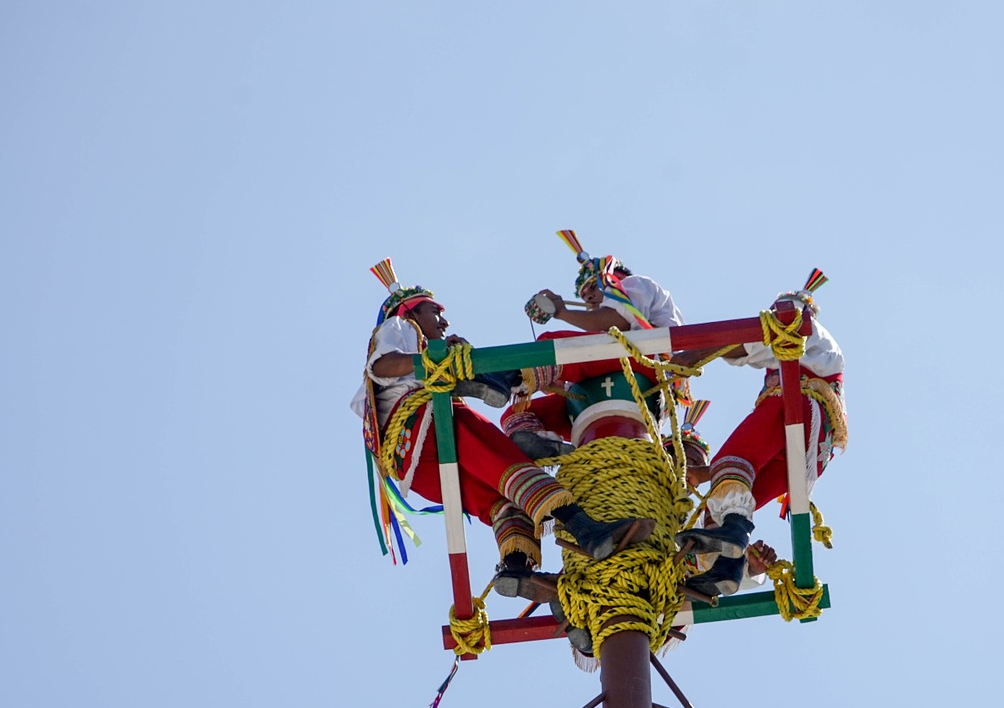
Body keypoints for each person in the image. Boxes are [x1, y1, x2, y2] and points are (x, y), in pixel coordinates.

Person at [352, 258, 653, 600]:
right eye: (434, 311)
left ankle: (515, 567)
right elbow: (382, 365)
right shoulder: (400, 327)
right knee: (507, 461)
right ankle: (587, 530)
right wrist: (435, 361)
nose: (443, 319)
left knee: (503, 501)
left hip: (413, 470)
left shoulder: (413, 341)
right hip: (428, 426)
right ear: (411, 312)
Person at [670, 269, 847, 597]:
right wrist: (703, 473)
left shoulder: (811, 336)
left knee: (731, 462)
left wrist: (699, 351)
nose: (771, 317)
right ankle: (727, 570)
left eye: (778, 311)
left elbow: (753, 342)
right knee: (717, 503)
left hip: (795, 410)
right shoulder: (790, 354)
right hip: (803, 451)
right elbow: (752, 345)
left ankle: (735, 536)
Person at [503, 231, 686, 459]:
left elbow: (618, 322)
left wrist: (561, 312)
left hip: (646, 363)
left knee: (551, 344)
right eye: (583, 294)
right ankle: (545, 448)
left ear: (609, 278)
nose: (587, 297)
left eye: (592, 287)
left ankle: (506, 378)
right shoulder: (603, 329)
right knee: (517, 414)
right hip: (612, 375)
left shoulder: (634, 284)